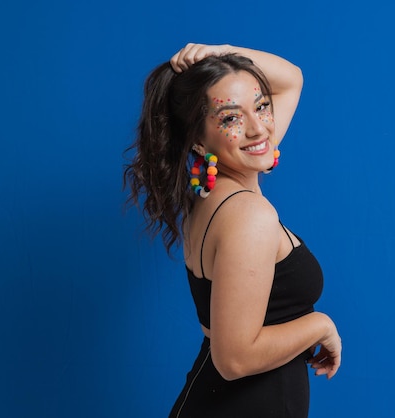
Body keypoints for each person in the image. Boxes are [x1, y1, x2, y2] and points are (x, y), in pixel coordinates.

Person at [123, 43, 342, 418]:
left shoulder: (208, 189)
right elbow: (234, 359)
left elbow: (291, 79)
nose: (259, 128)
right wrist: (319, 325)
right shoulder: (249, 216)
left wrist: (218, 54)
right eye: (230, 117)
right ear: (197, 138)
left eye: (260, 106)